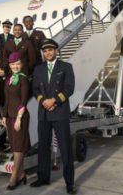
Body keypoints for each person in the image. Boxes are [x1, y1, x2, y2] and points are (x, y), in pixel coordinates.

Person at [31, 39, 76, 194]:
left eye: (50, 50)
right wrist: (43, 101)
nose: (48, 53)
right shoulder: (38, 69)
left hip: (60, 112)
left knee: (65, 148)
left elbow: (69, 88)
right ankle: (43, 177)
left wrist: (54, 100)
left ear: (56, 50)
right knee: (43, 147)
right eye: (45, 51)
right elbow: (35, 90)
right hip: (44, 113)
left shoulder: (66, 67)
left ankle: (69, 182)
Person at [2, 52, 31, 190]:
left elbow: (23, 101)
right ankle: (22, 174)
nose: (15, 66)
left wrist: (19, 119)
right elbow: (6, 100)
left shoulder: (23, 79)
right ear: (10, 65)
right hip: (10, 117)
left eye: (18, 64)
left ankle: (14, 177)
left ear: (22, 65)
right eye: (13, 64)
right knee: (15, 147)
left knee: (19, 148)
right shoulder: (8, 79)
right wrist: (4, 116)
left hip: (20, 117)